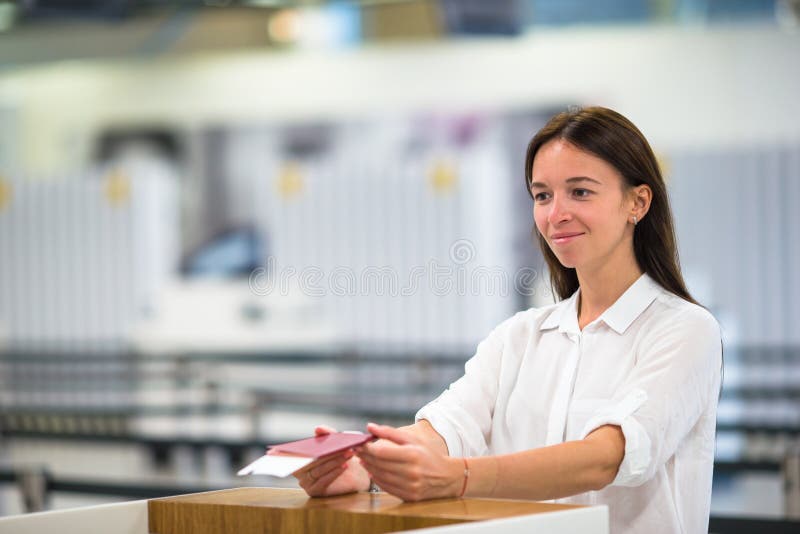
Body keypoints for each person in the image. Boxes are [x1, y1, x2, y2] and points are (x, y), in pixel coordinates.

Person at [292, 106, 722, 534]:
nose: (556, 214)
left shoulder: (684, 330)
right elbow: (449, 426)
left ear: (637, 202)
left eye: (581, 192)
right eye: (542, 195)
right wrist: (365, 468)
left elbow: (608, 455)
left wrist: (459, 477)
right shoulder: (519, 337)